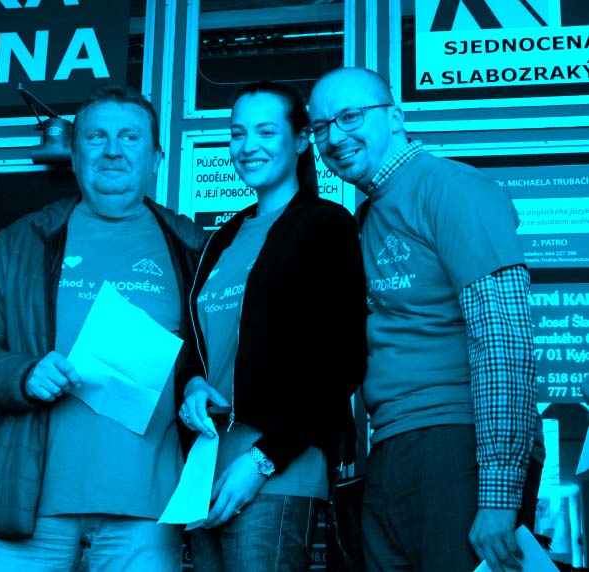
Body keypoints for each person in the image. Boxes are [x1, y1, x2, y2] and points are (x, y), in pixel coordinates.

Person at [0, 83, 206, 572]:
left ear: (156, 156)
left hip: (148, 516)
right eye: (96, 136)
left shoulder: (194, 247)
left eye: (130, 137)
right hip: (31, 508)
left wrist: (198, 385)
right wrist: (22, 374)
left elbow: (217, 359)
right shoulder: (22, 240)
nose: (112, 150)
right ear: (74, 153)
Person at [309, 67, 544, 572]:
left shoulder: (454, 188)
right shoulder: (369, 214)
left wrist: (498, 495)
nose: (334, 137)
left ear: (395, 117)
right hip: (392, 446)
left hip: (458, 442)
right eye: (320, 126)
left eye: (350, 116)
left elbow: (502, 337)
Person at [176, 80, 367, 572]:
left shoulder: (325, 225)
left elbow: (342, 362)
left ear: (301, 140)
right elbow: (199, 344)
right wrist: (193, 383)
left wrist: (263, 459)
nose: (248, 146)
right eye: (238, 133)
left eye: (265, 131)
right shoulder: (223, 237)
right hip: (208, 467)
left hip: (278, 469)